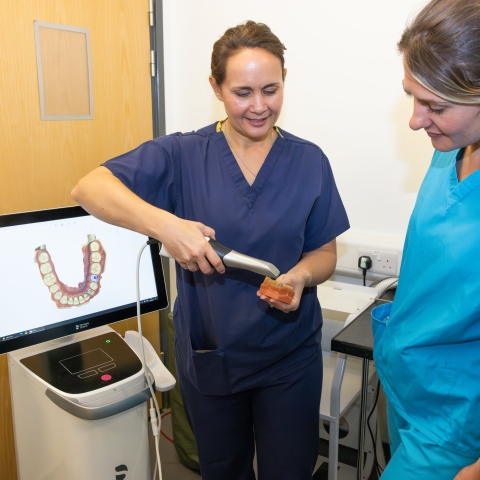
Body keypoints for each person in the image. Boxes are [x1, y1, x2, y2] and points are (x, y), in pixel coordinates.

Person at [72, 21, 349, 480]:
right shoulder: (184, 155)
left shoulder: (309, 161)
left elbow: (324, 253)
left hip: (289, 357)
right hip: (213, 354)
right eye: (242, 92)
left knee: (291, 470)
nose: (259, 107)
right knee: (222, 470)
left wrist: (300, 276)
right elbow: (89, 187)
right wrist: (166, 226)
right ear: (216, 88)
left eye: (271, 90)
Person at [371, 1, 480, 479]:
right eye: (412, 97)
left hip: (457, 423)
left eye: (435, 106)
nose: (416, 120)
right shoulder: (451, 150)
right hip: (412, 386)